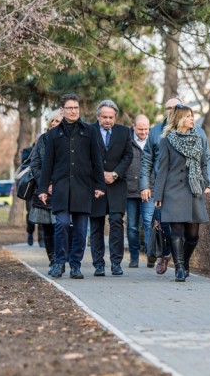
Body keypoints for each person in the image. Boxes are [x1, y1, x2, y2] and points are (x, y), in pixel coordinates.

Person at [38, 93, 106, 279]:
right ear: (62, 110)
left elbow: (97, 161)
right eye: (70, 108)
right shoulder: (53, 135)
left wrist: (100, 185)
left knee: (81, 230)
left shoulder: (90, 132)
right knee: (61, 224)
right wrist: (43, 189)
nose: (74, 111)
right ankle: (59, 263)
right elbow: (47, 164)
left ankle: (75, 265)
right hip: (61, 188)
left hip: (83, 188)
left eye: (76, 108)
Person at [141, 97, 208, 273]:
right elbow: (162, 169)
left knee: (192, 236)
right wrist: (158, 195)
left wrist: (206, 183)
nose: (192, 119)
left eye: (192, 116)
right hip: (173, 192)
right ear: (180, 119)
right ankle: (179, 268)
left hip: (193, 190)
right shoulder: (166, 140)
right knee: (176, 232)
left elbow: (204, 162)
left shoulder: (198, 138)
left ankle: (184, 261)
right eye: (188, 116)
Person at [89, 100, 134, 277]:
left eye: (111, 117)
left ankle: (116, 263)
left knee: (116, 222)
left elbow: (128, 155)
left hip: (117, 185)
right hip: (96, 186)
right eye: (104, 117)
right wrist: (100, 175)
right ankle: (98, 264)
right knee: (96, 225)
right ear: (98, 117)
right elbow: (85, 157)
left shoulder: (124, 132)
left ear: (115, 117)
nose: (108, 120)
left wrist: (115, 174)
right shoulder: (89, 131)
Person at [28, 111, 62, 270]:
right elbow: (34, 164)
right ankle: (53, 259)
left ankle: (62, 257)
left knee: (62, 226)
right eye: (52, 121)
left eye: (58, 121)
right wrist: (46, 183)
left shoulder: (69, 140)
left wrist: (58, 183)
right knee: (48, 227)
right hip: (44, 191)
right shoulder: (43, 139)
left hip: (63, 190)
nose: (54, 123)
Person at [124, 114, 150, 268]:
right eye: (140, 129)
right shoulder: (126, 140)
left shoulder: (153, 141)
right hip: (131, 190)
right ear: (133, 126)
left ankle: (150, 254)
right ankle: (134, 257)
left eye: (146, 129)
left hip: (149, 190)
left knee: (148, 223)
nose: (144, 132)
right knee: (132, 226)